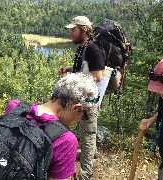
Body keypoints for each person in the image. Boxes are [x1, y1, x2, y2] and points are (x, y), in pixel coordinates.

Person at [5, 73, 99, 180]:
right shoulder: (66, 140)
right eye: (84, 116)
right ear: (76, 108)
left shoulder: (15, 107)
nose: (81, 119)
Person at [59, 16, 106, 179]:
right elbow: (83, 67)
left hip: (89, 103)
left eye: (74, 29)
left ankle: (85, 174)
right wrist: (69, 68)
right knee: (84, 132)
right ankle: (91, 154)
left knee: (87, 136)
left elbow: (98, 76)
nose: (71, 32)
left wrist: (75, 79)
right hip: (80, 99)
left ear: (84, 30)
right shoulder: (82, 47)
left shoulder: (93, 49)